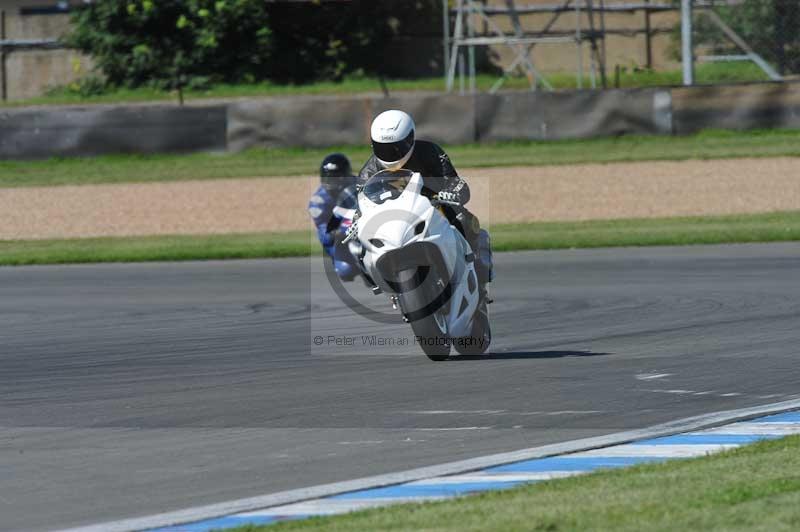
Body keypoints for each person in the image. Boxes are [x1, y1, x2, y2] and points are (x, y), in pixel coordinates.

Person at [357, 109, 494, 305]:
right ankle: (388, 288)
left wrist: (451, 192)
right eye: (384, 148)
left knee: (467, 221)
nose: (391, 154)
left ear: (410, 138)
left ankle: (477, 280)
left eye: (396, 147)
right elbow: (360, 204)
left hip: (432, 207)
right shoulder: (368, 172)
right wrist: (355, 220)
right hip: (393, 221)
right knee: (357, 248)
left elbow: (455, 182)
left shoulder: (430, 152)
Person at [308, 153, 360, 281]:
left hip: (364, 224)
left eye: (338, 178)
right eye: (329, 178)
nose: (333, 183)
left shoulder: (359, 184)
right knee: (345, 271)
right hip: (341, 237)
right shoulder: (318, 202)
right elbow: (325, 234)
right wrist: (339, 232)